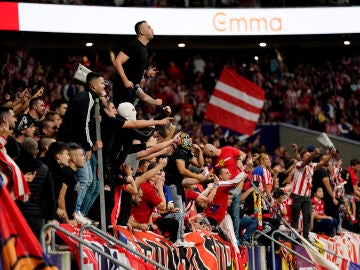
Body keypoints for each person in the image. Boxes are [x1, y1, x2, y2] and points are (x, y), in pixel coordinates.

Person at [57, 72, 105, 223]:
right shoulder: (86, 98)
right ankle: (76, 212)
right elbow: (83, 126)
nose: (104, 86)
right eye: (102, 83)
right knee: (84, 178)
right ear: (93, 85)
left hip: (77, 142)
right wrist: (89, 146)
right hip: (73, 143)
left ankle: (80, 213)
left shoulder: (89, 98)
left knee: (91, 181)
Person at [113, 20, 162, 107]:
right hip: (122, 92)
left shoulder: (143, 49)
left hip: (130, 93)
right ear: (142, 32)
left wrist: (147, 73)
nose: (152, 29)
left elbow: (134, 70)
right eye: (149, 27)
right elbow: (117, 62)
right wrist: (125, 81)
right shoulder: (134, 45)